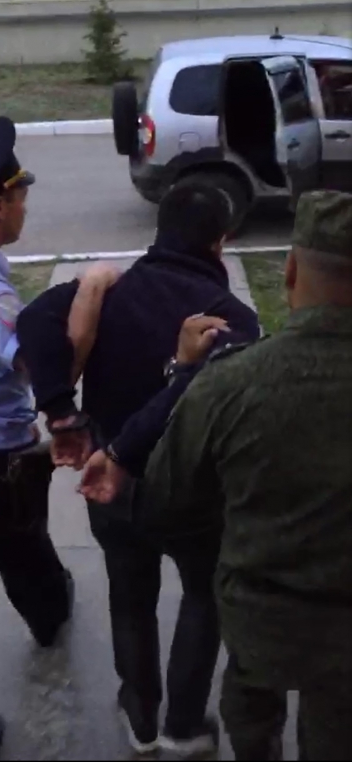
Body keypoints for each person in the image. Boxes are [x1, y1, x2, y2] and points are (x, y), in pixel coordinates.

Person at [16, 179, 261, 756]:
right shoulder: (232, 321)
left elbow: (32, 321)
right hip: (193, 494)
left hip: (112, 486)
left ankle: (140, 714)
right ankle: (183, 724)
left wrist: (62, 412)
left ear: (160, 230)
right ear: (220, 243)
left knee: (130, 596)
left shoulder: (110, 292)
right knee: (202, 596)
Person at [143, 190, 352, 761]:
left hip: (259, 620)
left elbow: (164, 501)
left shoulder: (229, 384)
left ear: (290, 272)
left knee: (252, 721)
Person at [0, 116, 119, 762]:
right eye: (20, 196)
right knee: (26, 558)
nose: (24, 207)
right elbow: (44, 371)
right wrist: (92, 290)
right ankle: (50, 614)